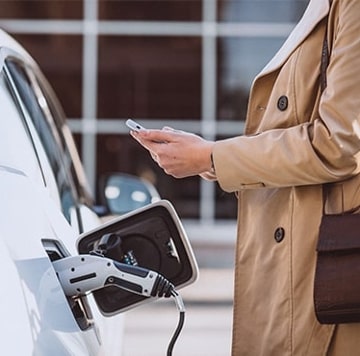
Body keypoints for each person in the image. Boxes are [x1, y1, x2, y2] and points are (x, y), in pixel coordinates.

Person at [130, 0, 360, 354]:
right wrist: (209, 160)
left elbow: (337, 143)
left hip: (322, 272)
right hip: (307, 265)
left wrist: (210, 156)